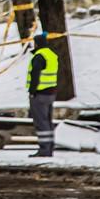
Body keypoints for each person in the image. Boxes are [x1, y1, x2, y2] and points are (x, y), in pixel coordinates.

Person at [27, 30, 59, 158]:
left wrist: (32, 91)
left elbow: (35, 76)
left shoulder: (39, 56)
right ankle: (50, 147)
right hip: (51, 93)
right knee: (48, 121)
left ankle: (44, 149)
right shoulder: (51, 55)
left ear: (37, 44)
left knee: (41, 122)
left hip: (40, 94)